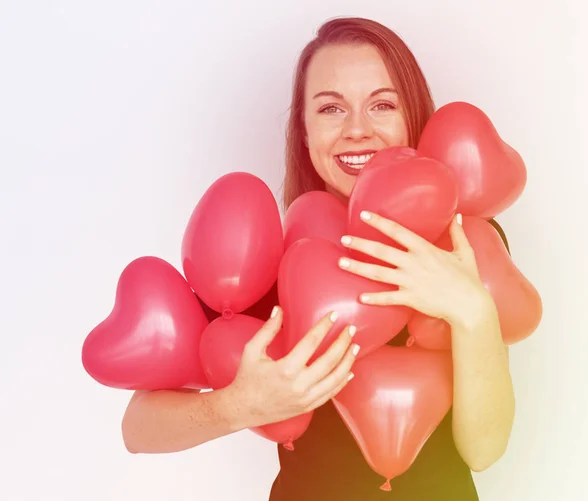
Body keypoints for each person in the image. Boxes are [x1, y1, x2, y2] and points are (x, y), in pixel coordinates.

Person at [121, 17, 516, 501]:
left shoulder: (464, 242)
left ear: (413, 118)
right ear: (305, 134)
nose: (357, 130)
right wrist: (236, 407)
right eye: (331, 108)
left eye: (383, 105)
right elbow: (136, 430)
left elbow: (484, 451)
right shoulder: (262, 255)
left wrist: (473, 312)